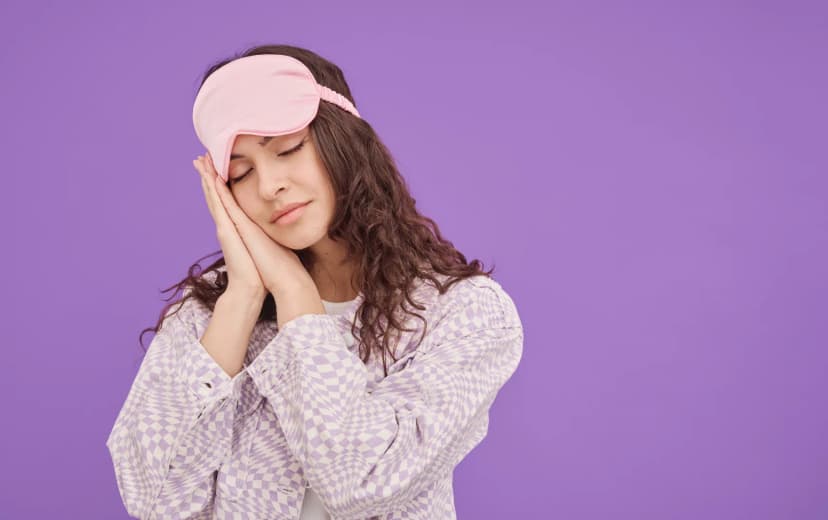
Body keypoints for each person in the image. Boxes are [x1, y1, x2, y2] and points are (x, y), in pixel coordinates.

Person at [105, 43, 524, 519]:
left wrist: (296, 295)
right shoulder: (207, 312)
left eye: (287, 149)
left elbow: (361, 480)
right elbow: (153, 499)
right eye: (241, 174)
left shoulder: (466, 314)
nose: (268, 187)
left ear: (343, 141)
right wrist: (242, 298)